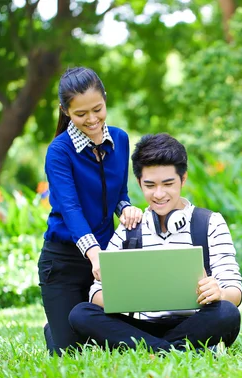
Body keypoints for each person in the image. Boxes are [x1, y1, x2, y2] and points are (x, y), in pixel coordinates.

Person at [68, 133, 242, 353]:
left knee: (227, 313)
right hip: (142, 326)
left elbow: (234, 292)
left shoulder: (210, 222)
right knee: (81, 314)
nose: (159, 194)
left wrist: (218, 293)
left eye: (168, 184)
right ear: (140, 183)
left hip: (194, 322)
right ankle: (174, 350)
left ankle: (149, 350)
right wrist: (124, 295)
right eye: (150, 185)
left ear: (183, 179)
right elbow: (96, 294)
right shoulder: (130, 227)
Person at [39, 67, 143, 355]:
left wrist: (126, 209)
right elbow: (70, 208)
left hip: (107, 258)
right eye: (81, 114)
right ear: (65, 111)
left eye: (97, 109)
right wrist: (93, 253)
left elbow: (119, 193)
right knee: (68, 352)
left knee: (118, 342)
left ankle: (67, 326)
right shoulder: (59, 151)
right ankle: (58, 328)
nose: (92, 119)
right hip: (64, 262)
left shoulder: (120, 140)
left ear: (105, 100)